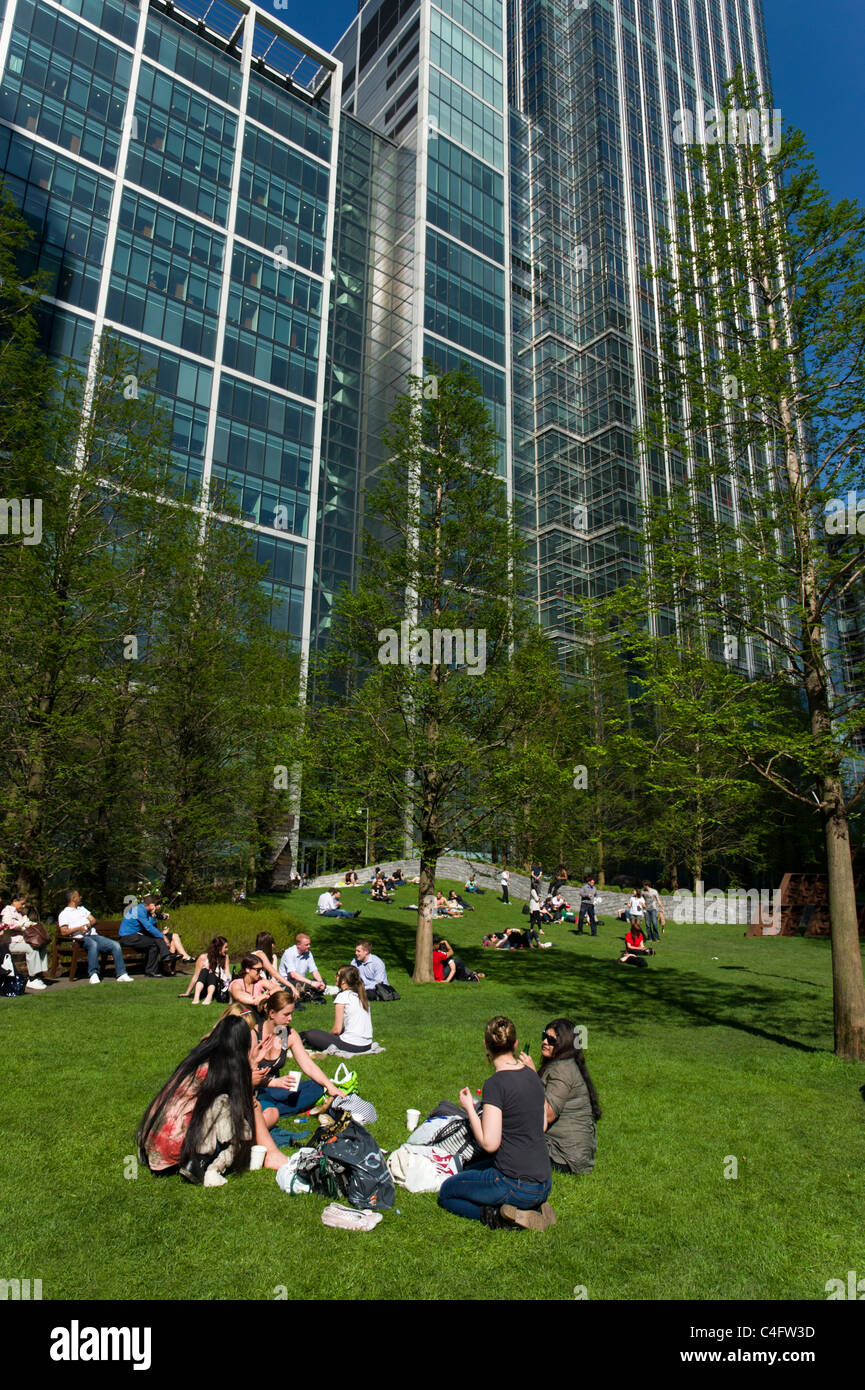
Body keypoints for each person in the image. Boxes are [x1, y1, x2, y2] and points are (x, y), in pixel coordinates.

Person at [137, 1014, 287, 1183]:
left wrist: (253, 1061)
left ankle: (269, 1151)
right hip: (175, 1148)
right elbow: (244, 1105)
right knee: (240, 1109)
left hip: (151, 1142)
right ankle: (206, 1162)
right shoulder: (221, 1070)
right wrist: (251, 1067)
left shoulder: (199, 1059)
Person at [438, 1016, 555, 1230]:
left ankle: (500, 1218)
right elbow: (542, 1126)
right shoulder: (532, 1075)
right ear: (516, 1044)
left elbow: (490, 1143)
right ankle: (534, 1208)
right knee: (469, 1170)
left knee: (447, 1191)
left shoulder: (496, 1084)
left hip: (515, 1183)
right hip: (544, 1181)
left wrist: (470, 1109)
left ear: (486, 1045)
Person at [249, 991, 346, 1127]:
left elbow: (308, 1065)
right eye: (286, 1014)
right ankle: (275, 1109)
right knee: (267, 1099)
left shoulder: (287, 1034)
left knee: (317, 1086)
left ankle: (275, 1108)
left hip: (278, 1089)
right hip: (256, 1089)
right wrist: (274, 1082)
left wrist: (331, 1087)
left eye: (291, 1014)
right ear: (272, 1014)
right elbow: (243, 1075)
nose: (290, 1019)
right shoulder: (254, 1035)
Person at [527, 1018, 601, 1174]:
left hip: (565, 1157)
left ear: (564, 1044)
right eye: (544, 1037)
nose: (545, 1042)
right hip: (567, 1151)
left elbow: (547, 1114)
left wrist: (532, 1077)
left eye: (551, 1040)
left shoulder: (562, 1070)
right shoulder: (562, 1065)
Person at [58, 888, 133, 984]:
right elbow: (64, 932)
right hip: (79, 939)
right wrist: (79, 928)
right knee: (93, 944)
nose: (80, 897)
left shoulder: (82, 909)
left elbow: (93, 920)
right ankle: (93, 974)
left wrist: (88, 925)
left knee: (115, 945)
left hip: (93, 935)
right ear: (73, 898)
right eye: (78, 896)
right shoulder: (64, 914)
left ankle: (121, 974)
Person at [300, 966, 374, 1054]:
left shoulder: (343, 996)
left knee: (311, 1034)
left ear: (344, 981)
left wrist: (327, 1037)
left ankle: (296, 1038)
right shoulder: (361, 996)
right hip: (367, 1045)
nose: (335, 977)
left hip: (353, 1046)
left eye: (338, 975)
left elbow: (337, 1030)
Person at [1, 893, 51, 989]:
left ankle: (39, 973)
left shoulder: (21, 913)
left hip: (23, 940)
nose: (23, 906)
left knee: (41, 945)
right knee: (31, 948)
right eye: (22, 903)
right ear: (15, 901)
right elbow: (8, 925)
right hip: (11, 942)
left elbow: (27, 921)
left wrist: (31, 924)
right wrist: (24, 925)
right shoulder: (7, 911)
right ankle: (32, 978)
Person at [119, 895, 173, 977]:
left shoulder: (143, 910)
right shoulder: (139, 910)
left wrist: (156, 915)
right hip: (127, 937)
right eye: (156, 905)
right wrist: (163, 936)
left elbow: (151, 924)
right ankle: (152, 970)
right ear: (151, 905)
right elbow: (149, 927)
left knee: (155, 941)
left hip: (135, 935)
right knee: (154, 943)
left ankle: (165, 957)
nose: (158, 907)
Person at [181, 936, 230, 1003]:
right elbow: (196, 976)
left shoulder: (225, 957)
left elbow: (227, 972)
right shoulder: (203, 958)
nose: (227, 949)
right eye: (225, 947)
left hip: (216, 986)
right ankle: (196, 997)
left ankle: (209, 997)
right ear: (219, 948)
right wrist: (187, 992)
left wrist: (230, 984)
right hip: (204, 987)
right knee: (205, 970)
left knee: (211, 973)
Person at [279, 933, 326, 998]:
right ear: (298, 945)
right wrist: (311, 983)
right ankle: (309, 992)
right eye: (306, 945)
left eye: (309, 944)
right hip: (288, 982)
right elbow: (293, 975)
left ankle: (309, 992)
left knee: (323, 981)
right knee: (300, 985)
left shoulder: (308, 953)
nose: (309, 946)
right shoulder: (289, 953)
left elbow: (314, 970)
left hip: (302, 981)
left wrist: (320, 982)